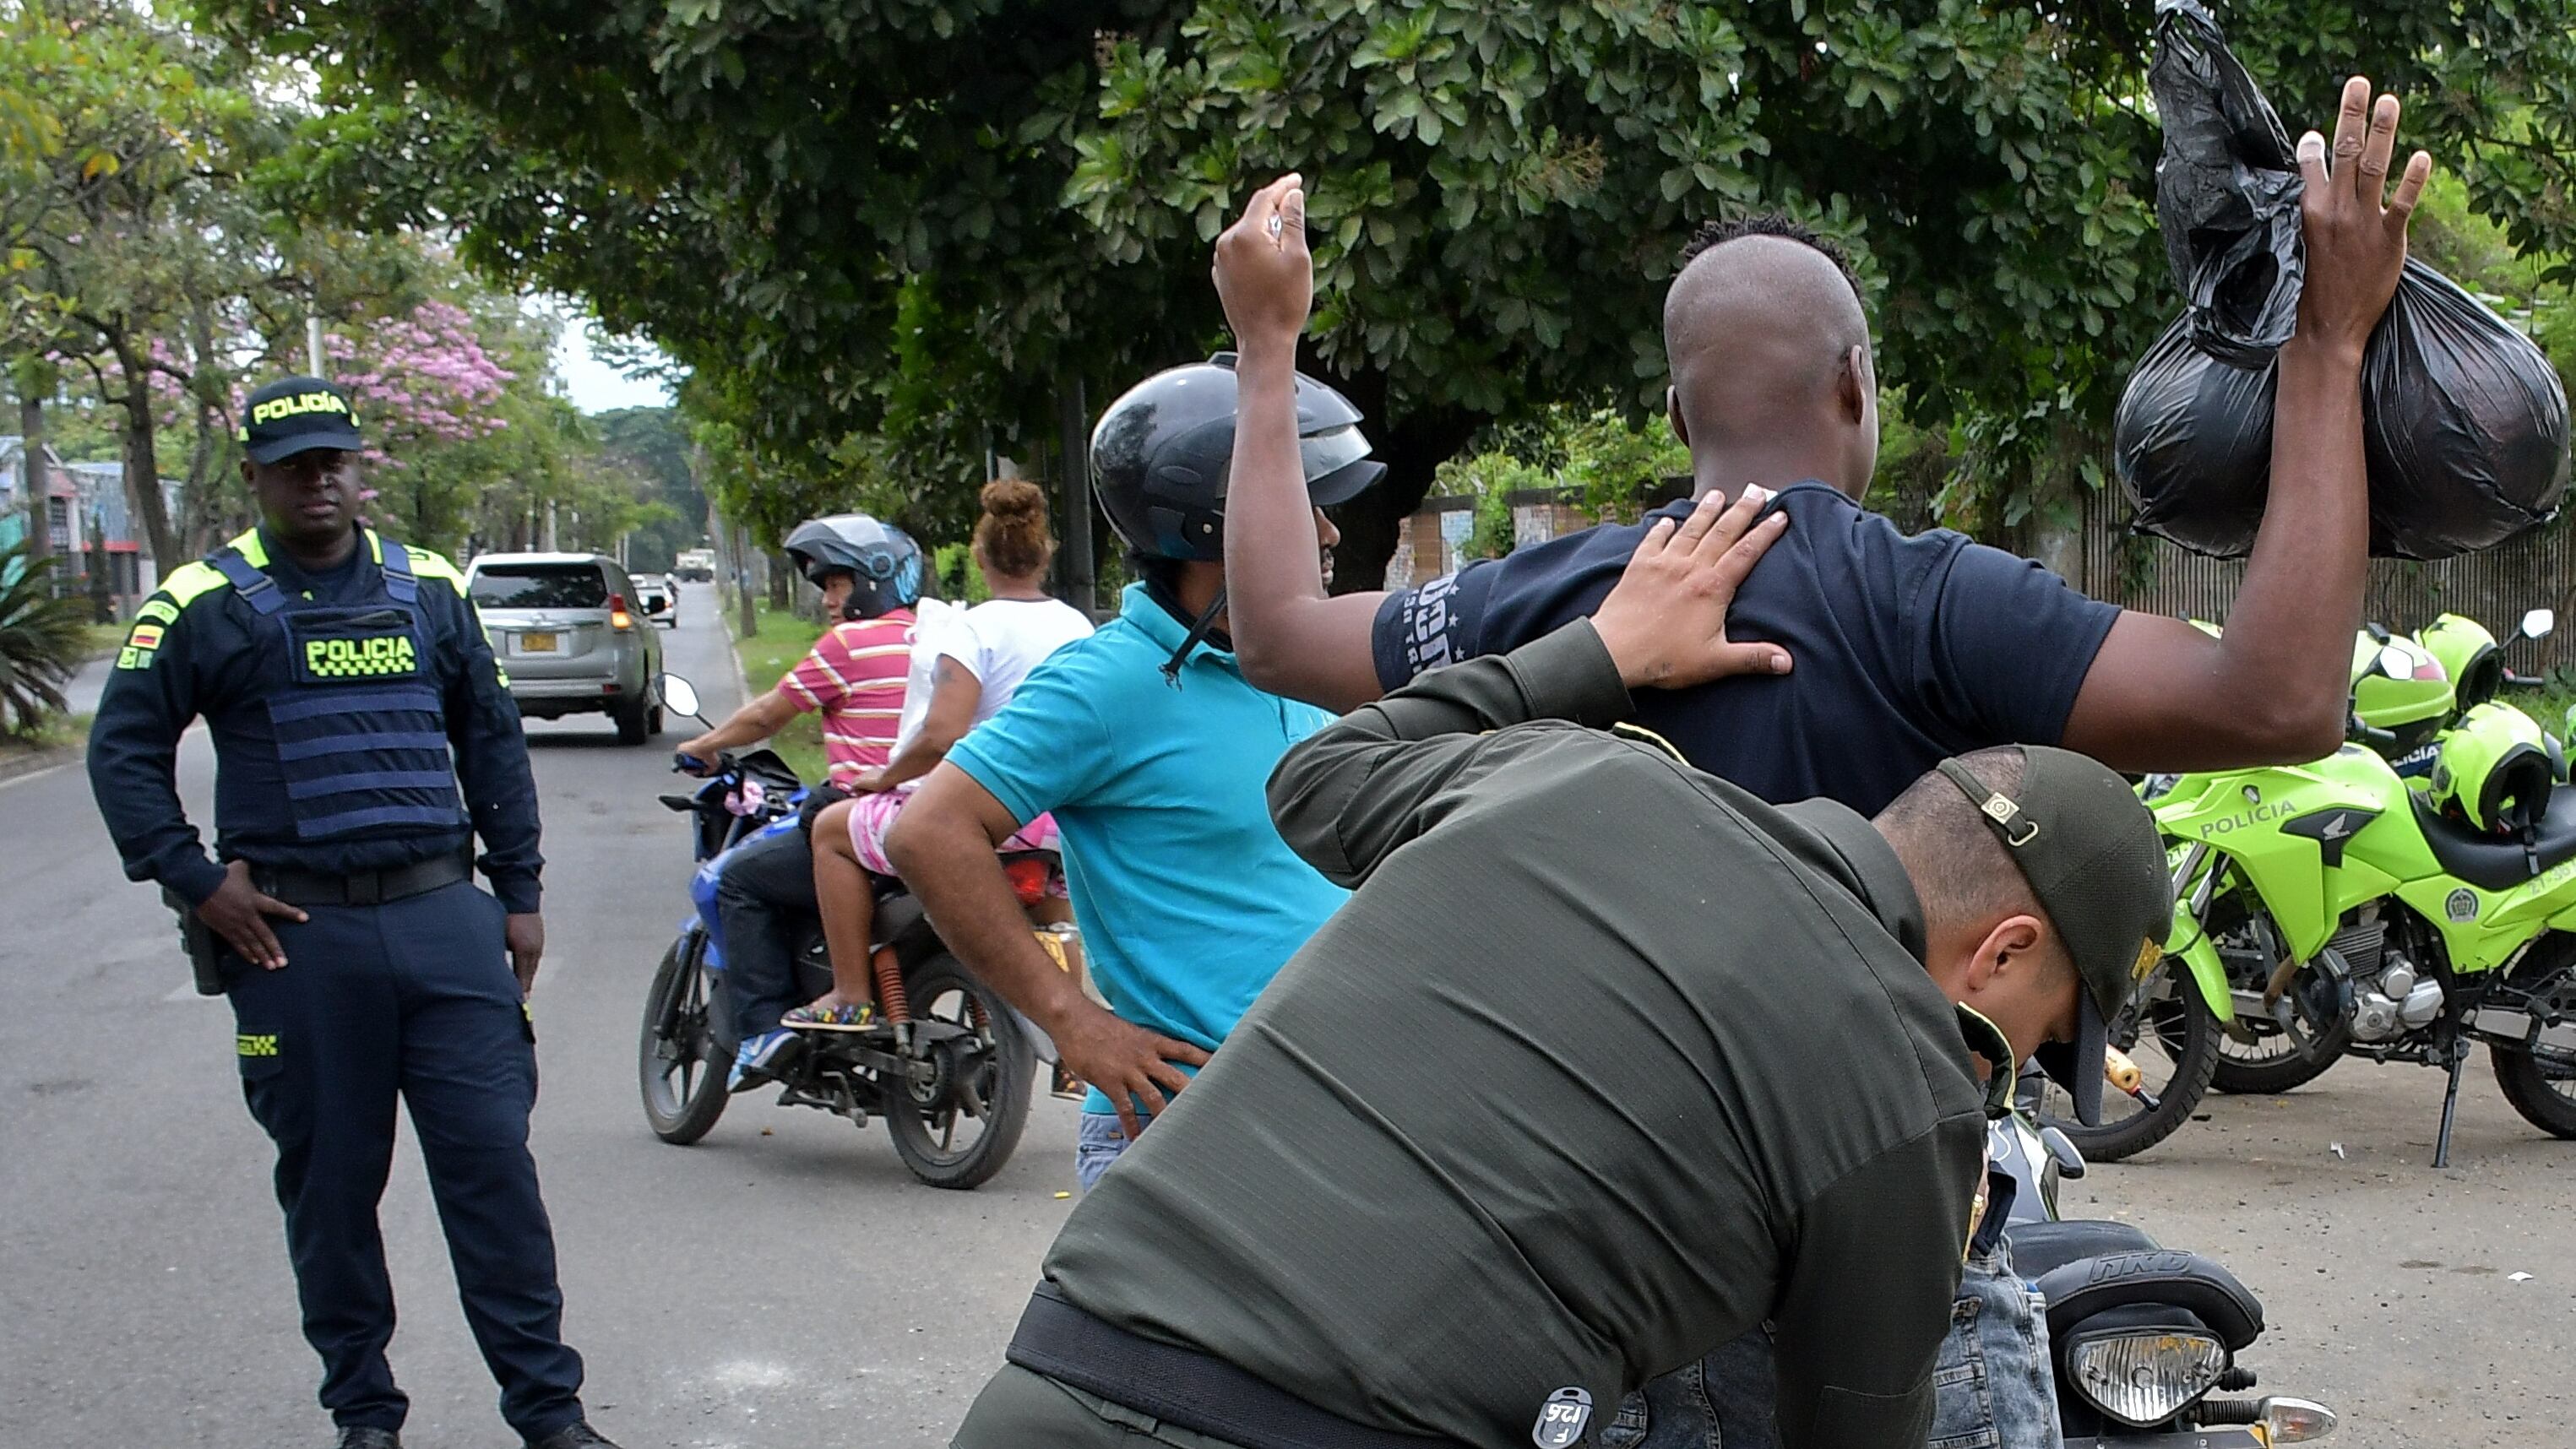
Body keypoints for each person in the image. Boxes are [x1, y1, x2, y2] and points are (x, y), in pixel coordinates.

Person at [1211, 75, 2427, 1449]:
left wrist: (1266, 350)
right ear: (1857, 384)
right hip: (1891, 1271)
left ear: (1677, 414)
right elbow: (2278, 699)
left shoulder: (1549, 603)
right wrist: (2326, 347)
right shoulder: (1923, 602)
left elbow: (1275, 633)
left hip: (1600, 1298)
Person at [950, 497, 2176, 1449]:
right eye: (2036, 1033)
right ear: (2007, 949)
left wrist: (1599, 648)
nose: (2000, 1072)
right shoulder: (1907, 1087)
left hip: (1061, 1363)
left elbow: (1318, 783)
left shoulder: (1574, 770)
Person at [84, 377, 619, 1449]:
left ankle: (550, 1417)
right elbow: (122, 753)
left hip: (441, 919)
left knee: (494, 1177)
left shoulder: (425, 588)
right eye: (294, 464)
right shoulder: (204, 601)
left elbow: (492, 742)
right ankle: (364, 1416)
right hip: (298, 944)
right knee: (331, 1193)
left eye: (335, 460)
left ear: (356, 466)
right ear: (254, 477)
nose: (319, 480)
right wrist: (196, 879)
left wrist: (517, 893)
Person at [884, 357, 1381, 1189]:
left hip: (1323, 1123)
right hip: (1189, 1139)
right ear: (1212, 526)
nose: (1329, 537)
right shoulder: (1110, 683)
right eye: (1305, 510)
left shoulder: (1300, 670)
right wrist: (1072, 1023)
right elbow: (928, 831)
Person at [791, 480, 1094, 1028]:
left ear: (979, 559)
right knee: (1055, 914)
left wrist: (882, 778)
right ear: (1045, 555)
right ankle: (1071, 1048)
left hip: (984, 816)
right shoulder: (1078, 626)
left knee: (832, 832)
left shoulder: (971, 627)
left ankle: (850, 994)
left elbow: (942, 734)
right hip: (1059, 819)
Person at [671, 513, 926, 1085]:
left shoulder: (851, 644)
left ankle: (763, 1027)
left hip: (861, 813)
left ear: (874, 578)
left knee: (739, 880)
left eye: (839, 584)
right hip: (938, 814)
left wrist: (704, 745)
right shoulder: (943, 638)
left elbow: (769, 713)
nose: (831, 599)